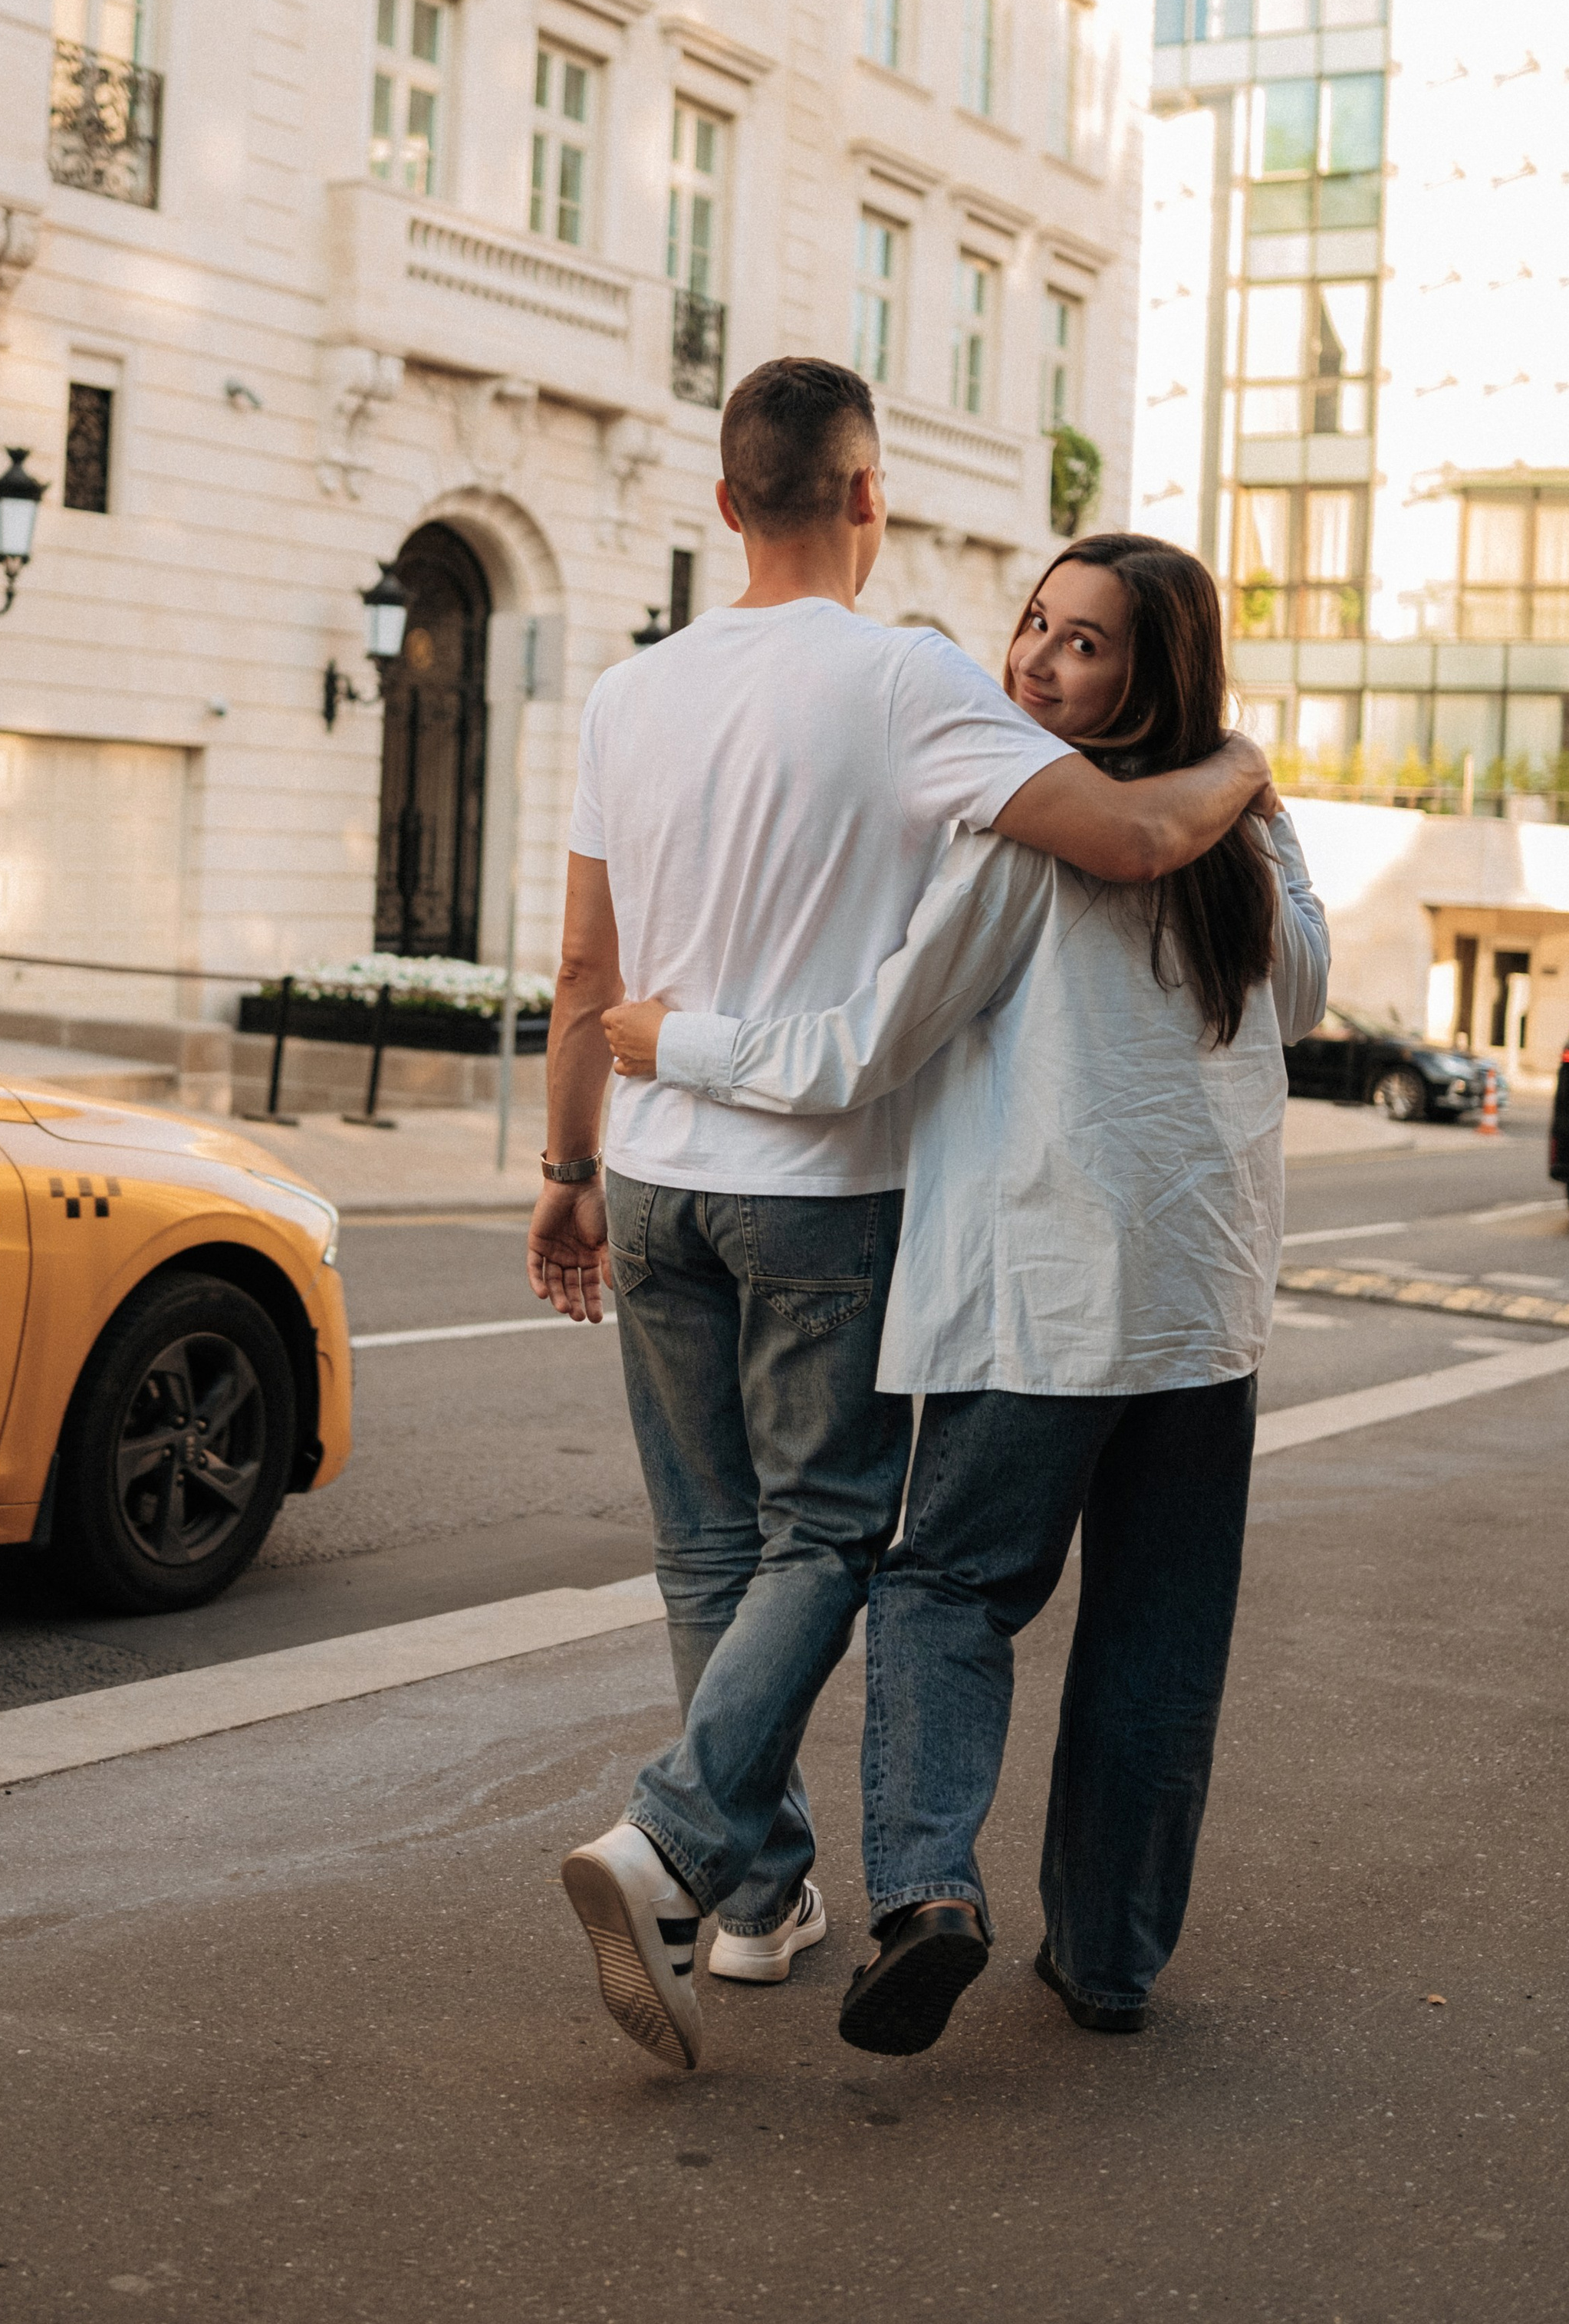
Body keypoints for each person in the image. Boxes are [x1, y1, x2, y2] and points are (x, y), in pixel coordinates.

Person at [529, 366, 1275, 2072]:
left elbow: (583, 968)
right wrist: (1239, 757)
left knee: (708, 1548)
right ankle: (679, 1845)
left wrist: (568, 1169)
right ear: (867, 496)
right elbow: (1139, 836)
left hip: (649, 1168)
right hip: (822, 1186)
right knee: (828, 1543)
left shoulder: (626, 692)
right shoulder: (905, 680)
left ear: (726, 503)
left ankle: (753, 1905)